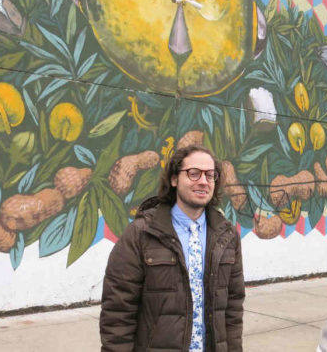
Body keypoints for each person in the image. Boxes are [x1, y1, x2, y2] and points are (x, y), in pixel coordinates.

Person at [100, 145, 244, 352]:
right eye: (194, 173)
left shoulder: (227, 236)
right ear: (174, 179)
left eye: (210, 175)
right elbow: (118, 311)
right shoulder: (141, 234)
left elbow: (233, 308)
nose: (203, 181)